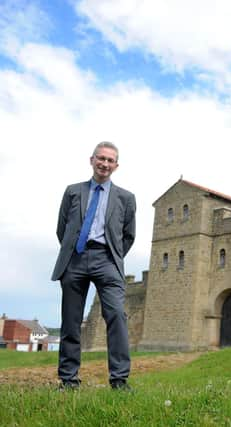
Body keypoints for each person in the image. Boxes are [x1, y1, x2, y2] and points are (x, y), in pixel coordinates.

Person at [51, 142, 136, 391]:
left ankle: (119, 380)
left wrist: (111, 256)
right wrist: (75, 250)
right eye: (101, 159)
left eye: (110, 161)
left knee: (117, 316)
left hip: (107, 261)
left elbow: (128, 236)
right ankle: (68, 380)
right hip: (75, 259)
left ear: (116, 166)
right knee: (71, 321)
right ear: (92, 160)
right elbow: (62, 228)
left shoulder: (126, 198)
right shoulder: (72, 192)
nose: (105, 164)